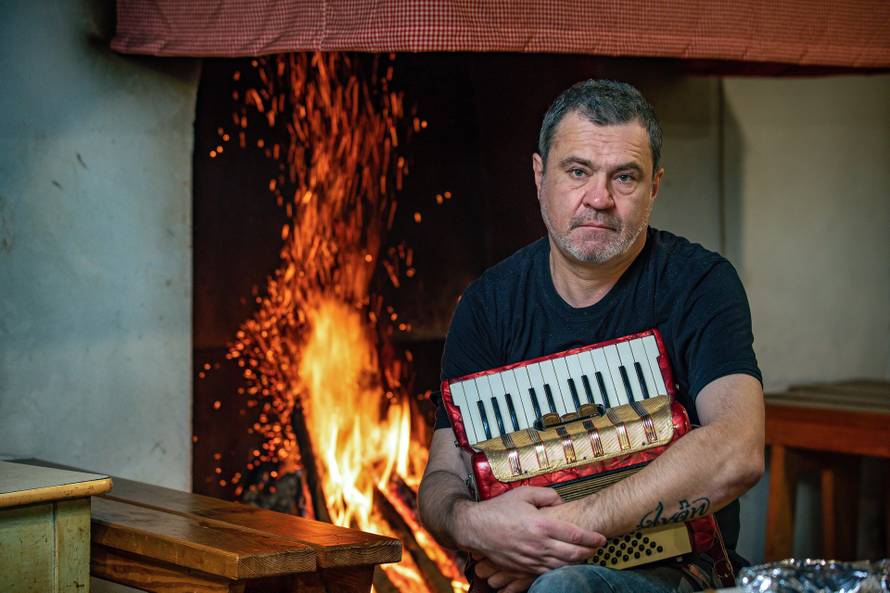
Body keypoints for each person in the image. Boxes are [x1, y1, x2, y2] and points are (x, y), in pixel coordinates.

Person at [417, 79, 765, 593]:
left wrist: (553, 537)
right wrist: (476, 526)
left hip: (672, 575)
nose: (598, 199)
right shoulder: (488, 306)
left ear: (655, 187)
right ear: (539, 177)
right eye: (577, 171)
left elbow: (738, 449)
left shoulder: (698, 284)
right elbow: (442, 478)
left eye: (624, 177)